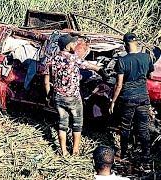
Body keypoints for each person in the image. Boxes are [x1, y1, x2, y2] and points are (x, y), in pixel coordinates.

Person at [44, 34, 108, 156]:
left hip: (58, 96)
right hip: (73, 97)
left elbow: (47, 81)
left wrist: (49, 96)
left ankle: (63, 151)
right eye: (73, 43)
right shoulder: (73, 59)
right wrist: (101, 71)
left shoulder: (51, 60)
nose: (75, 45)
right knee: (77, 124)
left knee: (62, 124)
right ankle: (75, 150)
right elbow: (88, 65)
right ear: (68, 46)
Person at [109, 33, 154, 166]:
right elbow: (150, 74)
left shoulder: (122, 61)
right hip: (143, 97)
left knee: (125, 126)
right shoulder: (146, 57)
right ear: (137, 43)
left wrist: (113, 101)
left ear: (125, 45)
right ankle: (146, 155)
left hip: (127, 97)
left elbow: (119, 85)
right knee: (143, 127)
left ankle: (124, 153)